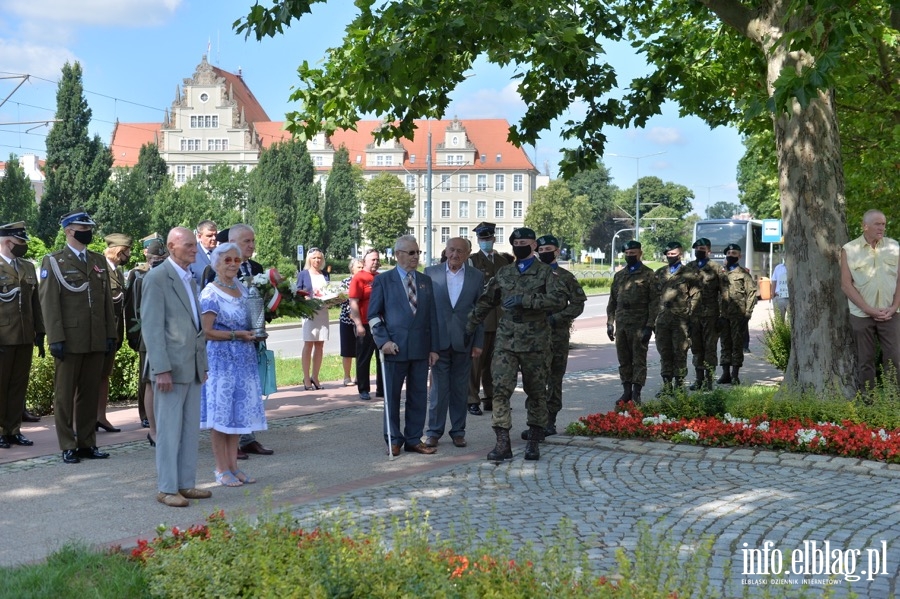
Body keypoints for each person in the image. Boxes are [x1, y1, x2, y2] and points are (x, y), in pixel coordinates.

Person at [466, 227, 566, 462]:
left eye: (525, 242)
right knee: (500, 391)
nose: (520, 245)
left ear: (533, 246)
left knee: (536, 393)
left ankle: (534, 440)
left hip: (536, 343)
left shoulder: (546, 273)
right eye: (516, 242)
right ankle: (502, 443)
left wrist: (528, 300)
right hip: (506, 342)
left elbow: (559, 300)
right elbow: (486, 301)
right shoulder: (504, 273)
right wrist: (469, 326)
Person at [141, 227, 212, 507]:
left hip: (191, 367)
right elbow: (152, 328)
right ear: (171, 247)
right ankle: (167, 488)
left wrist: (202, 364)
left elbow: (196, 326)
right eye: (189, 245)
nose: (195, 250)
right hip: (170, 369)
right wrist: (161, 369)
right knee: (169, 432)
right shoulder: (158, 278)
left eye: (195, 245)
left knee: (189, 430)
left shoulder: (189, 278)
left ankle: (185, 483)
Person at [39, 209, 116, 465]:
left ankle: (86, 443)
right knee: (64, 395)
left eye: (89, 227)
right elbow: (49, 303)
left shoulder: (97, 260)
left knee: (89, 392)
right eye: (83, 228)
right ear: (69, 231)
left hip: (95, 338)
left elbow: (106, 301)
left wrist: (110, 334)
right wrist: (55, 338)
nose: (88, 232)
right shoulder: (54, 261)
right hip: (70, 339)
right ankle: (67, 444)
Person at [199, 243, 267, 487]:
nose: (232, 264)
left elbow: (252, 318)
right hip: (221, 361)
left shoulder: (242, 287)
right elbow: (206, 332)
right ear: (216, 263)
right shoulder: (210, 292)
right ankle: (220, 468)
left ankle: (234, 467)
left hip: (244, 359)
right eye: (227, 260)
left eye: (236, 260)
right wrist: (237, 335)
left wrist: (255, 332)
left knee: (237, 414)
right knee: (220, 417)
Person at [368, 235, 440, 456]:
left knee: (418, 396)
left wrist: (434, 348)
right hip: (394, 348)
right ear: (398, 255)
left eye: (418, 253)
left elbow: (432, 317)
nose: (416, 257)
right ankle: (393, 439)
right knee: (392, 397)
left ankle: (413, 438)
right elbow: (373, 316)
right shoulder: (383, 280)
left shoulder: (425, 281)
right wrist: (384, 341)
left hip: (420, 348)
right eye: (411, 253)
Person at [522, 233, 586, 439]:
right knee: (534, 379)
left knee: (554, 378)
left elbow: (578, 303)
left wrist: (559, 317)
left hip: (556, 335)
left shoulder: (565, 277)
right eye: (540, 251)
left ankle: (550, 421)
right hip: (533, 336)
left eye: (547, 250)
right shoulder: (530, 275)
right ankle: (535, 422)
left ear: (556, 252)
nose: (543, 254)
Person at [424, 237, 484, 448]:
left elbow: (480, 312)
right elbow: (426, 310)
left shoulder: (477, 277)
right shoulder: (431, 273)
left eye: (460, 251)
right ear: (445, 250)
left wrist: (478, 342)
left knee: (460, 390)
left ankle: (458, 432)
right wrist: (428, 343)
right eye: (451, 250)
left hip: (464, 341)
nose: (455, 255)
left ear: (467, 254)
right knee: (438, 391)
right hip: (438, 343)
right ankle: (433, 431)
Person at [227, 224, 274, 459]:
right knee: (234, 391)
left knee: (250, 390)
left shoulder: (256, 268)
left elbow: (261, 301)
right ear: (233, 241)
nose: (252, 246)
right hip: (231, 341)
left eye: (253, 241)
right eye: (247, 241)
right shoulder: (222, 266)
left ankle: (248, 439)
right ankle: (230, 443)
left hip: (253, 338)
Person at [840, 209, 900, 391]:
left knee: (895, 358)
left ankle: (892, 403)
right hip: (861, 314)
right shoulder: (849, 250)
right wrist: (868, 309)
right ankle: (868, 402)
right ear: (865, 226)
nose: (882, 228)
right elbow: (846, 285)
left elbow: (899, 280)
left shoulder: (894, 247)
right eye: (877, 224)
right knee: (865, 361)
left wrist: (894, 306)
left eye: (883, 224)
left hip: (891, 313)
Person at [0, 222, 44, 449]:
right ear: (8, 242)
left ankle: (13, 429)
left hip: (25, 335)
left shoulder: (27, 267)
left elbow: (35, 303)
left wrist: (40, 331)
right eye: (20, 242)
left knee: (18, 384)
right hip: (3, 337)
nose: (23, 247)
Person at [124, 237, 168, 445]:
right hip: (146, 334)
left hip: (169, 336)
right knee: (147, 379)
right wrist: (134, 335)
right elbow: (132, 307)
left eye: (161, 257)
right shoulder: (139, 275)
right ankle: (145, 415)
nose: (157, 260)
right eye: (154, 257)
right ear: (147, 257)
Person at [466, 221, 512, 415]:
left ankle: (491, 398)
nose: (485, 241)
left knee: (495, 363)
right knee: (476, 362)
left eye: (488, 238)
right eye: (482, 239)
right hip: (481, 319)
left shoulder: (505, 261)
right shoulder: (472, 260)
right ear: (478, 240)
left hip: (501, 318)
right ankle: (472, 399)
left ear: (494, 238)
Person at [607, 240, 659, 405]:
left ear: (640, 253)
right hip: (622, 322)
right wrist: (610, 322)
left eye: (633, 253)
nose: (630, 256)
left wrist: (650, 326)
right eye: (627, 254)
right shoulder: (619, 276)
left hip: (639, 323)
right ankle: (626, 391)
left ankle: (636, 393)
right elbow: (612, 301)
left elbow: (655, 302)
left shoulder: (649, 274)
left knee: (638, 359)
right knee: (623, 358)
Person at [96, 233, 132, 434]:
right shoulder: (98, 269)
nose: (128, 255)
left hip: (113, 333)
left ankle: (100, 416)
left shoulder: (117, 272)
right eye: (127, 251)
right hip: (99, 332)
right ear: (119, 251)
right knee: (89, 377)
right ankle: (82, 420)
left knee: (104, 376)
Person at [685, 237, 726, 391]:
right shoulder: (689, 267)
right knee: (696, 348)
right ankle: (699, 379)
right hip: (693, 315)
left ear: (708, 250)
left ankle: (709, 381)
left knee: (709, 348)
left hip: (711, 315)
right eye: (697, 249)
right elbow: (683, 292)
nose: (699, 251)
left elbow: (724, 292)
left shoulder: (716, 268)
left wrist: (722, 315)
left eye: (702, 249)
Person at [654, 241, 694, 395]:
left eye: (673, 254)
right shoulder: (659, 273)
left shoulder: (689, 274)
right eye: (668, 254)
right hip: (662, 319)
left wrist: (692, 318)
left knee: (680, 351)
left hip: (681, 320)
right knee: (665, 352)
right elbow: (652, 297)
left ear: (680, 254)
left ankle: (679, 384)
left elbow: (695, 296)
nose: (670, 256)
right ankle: (666, 384)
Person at [717, 243, 758, 385]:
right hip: (723, 316)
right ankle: (725, 374)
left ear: (739, 256)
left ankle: (735, 375)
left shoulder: (743, 274)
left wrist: (748, 313)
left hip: (738, 315)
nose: (730, 255)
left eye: (734, 253)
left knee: (737, 345)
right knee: (724, 344)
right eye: (728, 253)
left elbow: (752, 294)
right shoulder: (721, 274)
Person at [350, 249, 384, 401]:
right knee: (364, 358)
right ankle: (363, 389)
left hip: (380, 324)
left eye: (377, 259)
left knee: (382, 357)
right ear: (365, 261)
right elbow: (354, 302)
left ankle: (382, 389)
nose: (375, 262)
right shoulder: (359, 278)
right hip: (364, 323)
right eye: (372, 260)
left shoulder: (380, 277)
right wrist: (358, 325)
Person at [297, 247, 330, 390]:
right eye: (314, 257)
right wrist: (306, 298)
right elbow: (297, 292)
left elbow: (328, 291)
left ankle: (315, 377)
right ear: (309, 259)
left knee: (320, 344)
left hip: (322, 312)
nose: (317, 260)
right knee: (309, 343)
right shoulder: (303, 274)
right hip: (309, 312)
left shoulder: (325, 274)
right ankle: (306, 378)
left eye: (319, 258)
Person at [339, 258, 363, 386]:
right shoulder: (345, 282)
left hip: (362, 319)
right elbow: (343, 300)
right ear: (352, 268)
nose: (361, 269)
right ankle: (347, 377)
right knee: (347, 350)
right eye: (358, 267)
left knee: (361, 350)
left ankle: (359, 376)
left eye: (362, 267)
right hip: (347, 321)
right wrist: (352, 313)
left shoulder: (365, 281)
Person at [189, 220, 218, 287]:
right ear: (199, 236)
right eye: (209, 236)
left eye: (215, 235)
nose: (214, 238)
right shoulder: (191, 255)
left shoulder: (222, 254)